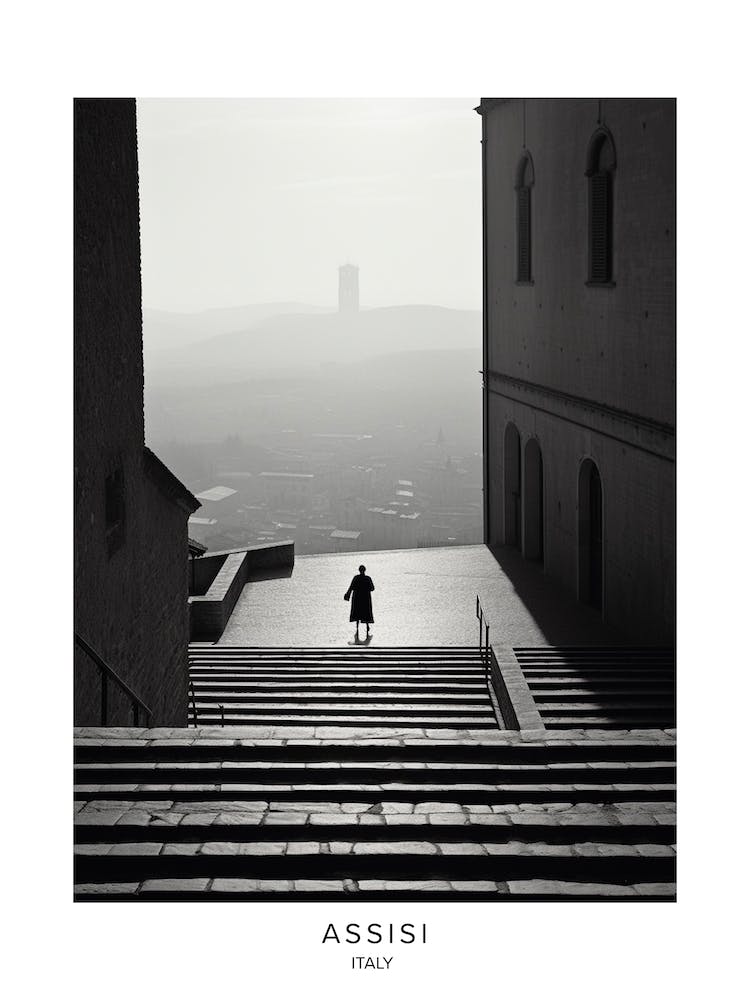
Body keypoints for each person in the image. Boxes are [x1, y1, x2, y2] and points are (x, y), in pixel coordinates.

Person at [344, 564, 375, 638]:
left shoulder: (356, 578)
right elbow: (372, 588)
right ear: (364, 570)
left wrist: (348, 594)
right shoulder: (368, 578)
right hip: (365, 598)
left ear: (359, 570)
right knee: (366, 612)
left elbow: (351, 587)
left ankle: (357, 627)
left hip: (357, 598)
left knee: (357, 612)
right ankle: (367, 626)